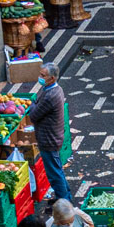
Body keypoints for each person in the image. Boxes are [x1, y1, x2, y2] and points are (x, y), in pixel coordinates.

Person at [25, 62, 69, 205]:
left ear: (52, 78)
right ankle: (64, 197)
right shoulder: (55, 89)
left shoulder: (51, 95)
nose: (40, 77)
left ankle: (64, 202)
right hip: (53, 137)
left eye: (43, 75)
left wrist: (32, 104)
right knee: (57, 170)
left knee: (54, 174)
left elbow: (34, 115)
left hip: (49, 139)